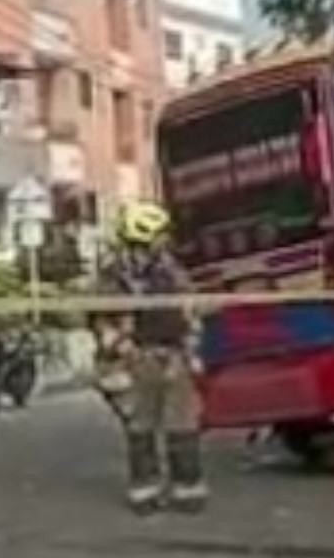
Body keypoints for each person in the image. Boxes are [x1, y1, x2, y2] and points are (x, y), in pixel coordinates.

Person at [98, 200, 206, 515]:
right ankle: (144, 491)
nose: (165, 241)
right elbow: (102, 317)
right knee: (140, 427)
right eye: (160, 235)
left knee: (182, 425)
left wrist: (193, 346)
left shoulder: (170, 269)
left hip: (174, 354)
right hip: (137, 356)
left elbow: (190, 306)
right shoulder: (114, 275)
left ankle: (188, 489)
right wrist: (118, 351)